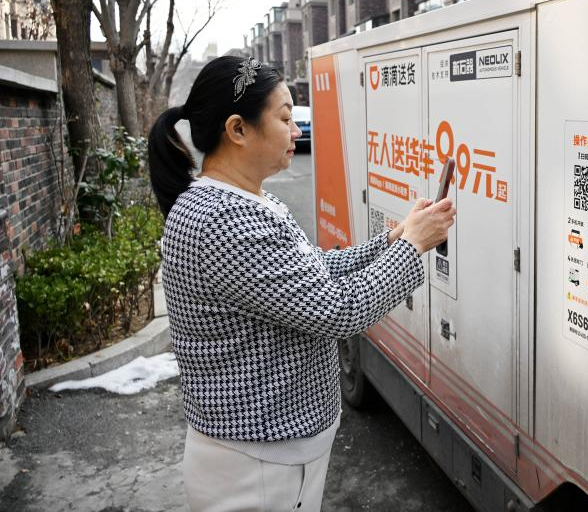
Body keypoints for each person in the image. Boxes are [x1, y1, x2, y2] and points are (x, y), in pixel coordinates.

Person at [148, 56, 455, 511]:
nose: (297, 131)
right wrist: (412, 246)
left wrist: (393, 239)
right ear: (237, 130)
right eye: (285, 118)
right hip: (256, 466)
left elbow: (312, 273)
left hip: (267, 454)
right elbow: (338, 310)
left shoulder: (244, 200)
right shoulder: (223, 220)